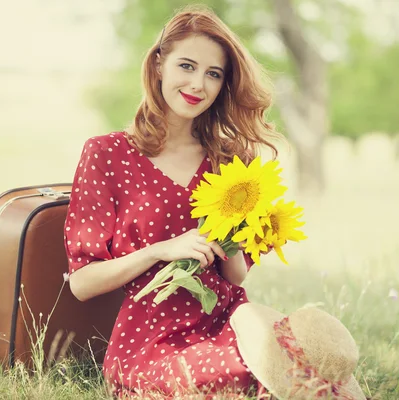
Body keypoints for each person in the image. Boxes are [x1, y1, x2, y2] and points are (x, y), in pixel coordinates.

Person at [63, 5, 281, 398]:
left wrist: (229, 220)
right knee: (240, 376)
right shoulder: (107, 153)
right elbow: (81, 282)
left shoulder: (233, 161)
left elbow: (235, 276)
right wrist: (160, 251)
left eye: (213, 74)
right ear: (159, 65)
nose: (198, 84)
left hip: (230, 321)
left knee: (293, 355)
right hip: (151, 339)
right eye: (187, 66)